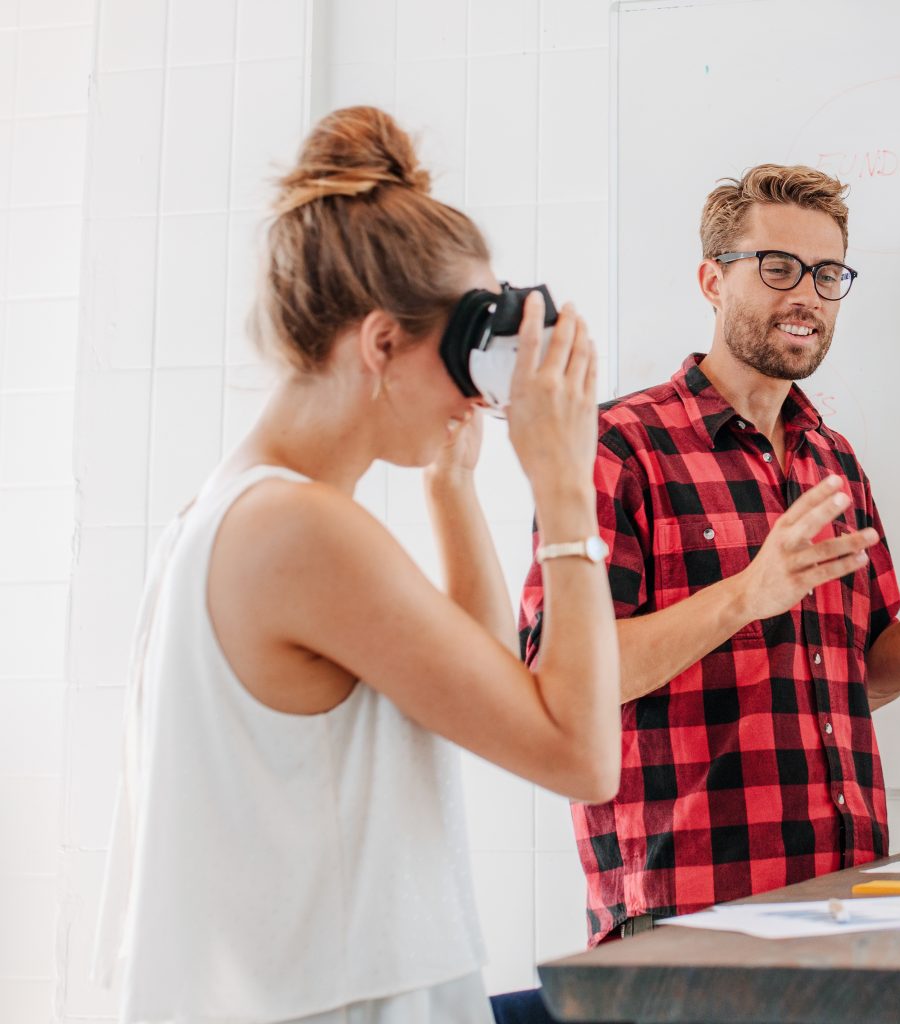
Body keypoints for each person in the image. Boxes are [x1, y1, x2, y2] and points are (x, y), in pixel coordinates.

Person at [98, 107, 618, 1023]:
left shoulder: (224, 516)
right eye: (466, 350)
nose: (479, 387)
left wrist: (453, 491)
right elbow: (580, 756)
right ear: (381, 344)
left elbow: (484, 693)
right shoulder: (295, 530)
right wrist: (565, 490)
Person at [518, 163, 900, 943]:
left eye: (826, 274)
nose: (806, 295)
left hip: (844, 896)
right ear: (712, 280)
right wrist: (747, 594)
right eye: (777, 267)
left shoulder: (833, 460)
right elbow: (566, 681)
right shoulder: (618, 447)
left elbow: (866, 680)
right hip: (688, 913)